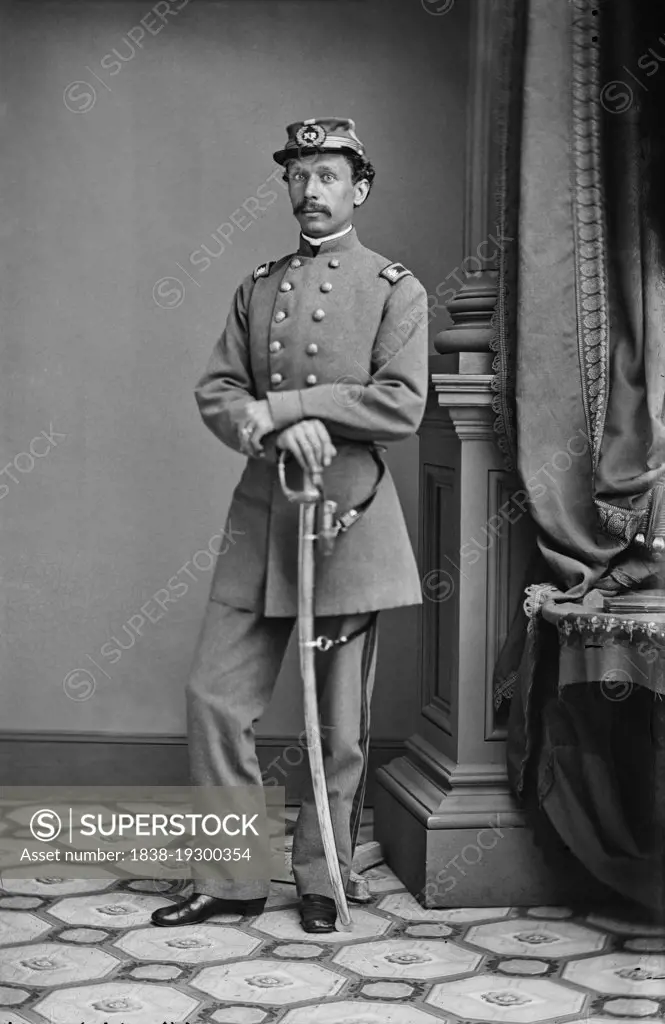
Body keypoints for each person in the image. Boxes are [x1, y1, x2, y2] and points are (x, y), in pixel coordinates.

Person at [151, 117, 428, 933]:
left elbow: (401, 403)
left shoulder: (393, 288)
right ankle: (230, 878)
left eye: (328, 176)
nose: (310, 191)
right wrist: (267, 425)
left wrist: (297, 407)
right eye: (298, 175)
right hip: (261, 518)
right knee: (213, 700)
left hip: (347, 521)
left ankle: (321, 874)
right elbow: (217, 392)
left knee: (336, 724)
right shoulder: (259, 285)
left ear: (359, 188)